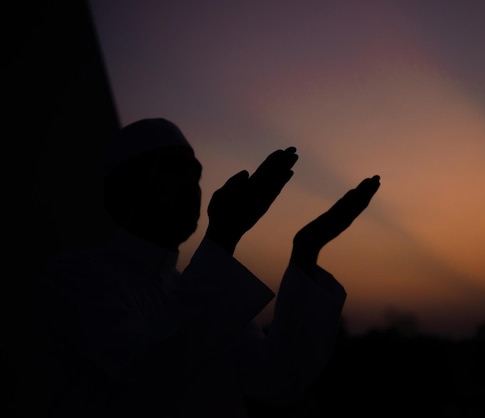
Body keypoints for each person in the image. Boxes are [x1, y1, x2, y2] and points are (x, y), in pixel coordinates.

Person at [37, 118, 380, 417]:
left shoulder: (193, 288)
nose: (192, 186)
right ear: (125, 188)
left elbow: (275, 382)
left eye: (195, 174)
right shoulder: (77, 278)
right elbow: (147, 381)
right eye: (172, 169)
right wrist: (225, 236)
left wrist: (306, 252)